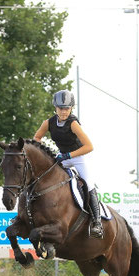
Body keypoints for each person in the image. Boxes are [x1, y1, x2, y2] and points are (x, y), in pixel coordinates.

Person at [33, 89, 104, 239]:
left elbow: (89, 147)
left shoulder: (73, 124)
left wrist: (69, 155)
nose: (64, 111)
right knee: (41, 176)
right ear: (55, 108)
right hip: (62, 158)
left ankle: (97, 222)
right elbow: (37, 138)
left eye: (67, 108)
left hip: (78, 157)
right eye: (61, 108)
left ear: (71, 108)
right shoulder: (48, 123)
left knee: (89, 184)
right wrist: (46, 151)